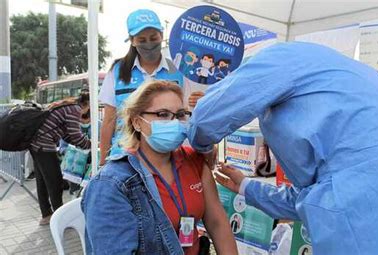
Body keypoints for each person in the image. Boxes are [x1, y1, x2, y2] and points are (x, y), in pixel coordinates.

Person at [187, 42, 378, 254]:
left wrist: (201, 147)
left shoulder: (278, 59)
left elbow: (209, 116)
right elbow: (321, 193)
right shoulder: (365, 79)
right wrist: (248, 188)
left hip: (370, 234)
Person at [82, 81, 237, 255]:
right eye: (162, 114)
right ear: (137, 122)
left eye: (179, 115)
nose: (174, 122)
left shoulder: (195, 162)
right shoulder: (110, 184)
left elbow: (217, 223)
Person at [99, 9, 184, 165]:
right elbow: (109, 120)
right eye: (142, 40)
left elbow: (185, 115)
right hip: (124, 158)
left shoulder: (177, 72)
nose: (149, 44)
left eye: (153, 38)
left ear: (162, 36)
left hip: (166, 158)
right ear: (132, 41)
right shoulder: (118, 71)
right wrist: (103, 162)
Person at [29, 94, 91, 225]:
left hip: (36, 144)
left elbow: (67, 135)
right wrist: (91, 144)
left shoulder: (67, 106)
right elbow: (76, 136)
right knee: (55, 182)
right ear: (86, 104)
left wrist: (80, 143)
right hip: (44, 146)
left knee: (42, 181)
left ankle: (46, 215)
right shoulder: (75, 110)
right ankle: (60, 219)